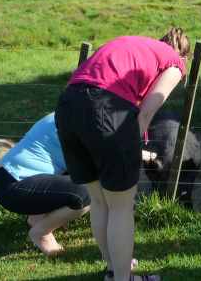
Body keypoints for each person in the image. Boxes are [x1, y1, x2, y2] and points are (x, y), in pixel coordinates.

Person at [55, 28, 190, 281]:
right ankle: (123, 278)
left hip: (67, 106)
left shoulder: (132, 44)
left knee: (99, 201)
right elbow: (148, 112)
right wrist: (129, 146)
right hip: (105, 110)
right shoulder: (174, 62)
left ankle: (113, 268)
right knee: (121, 206)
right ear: (184, 56)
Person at [0, 112, 91, 256]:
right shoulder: (80, 120)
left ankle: (37, 219)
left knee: (88, 182)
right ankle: (41, 232)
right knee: (88, 192)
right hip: (14, 186)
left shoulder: (70, 111)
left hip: (10, 180)